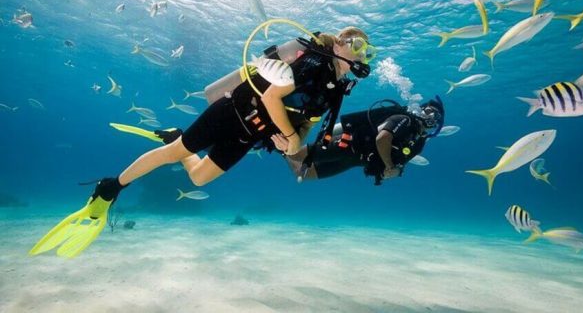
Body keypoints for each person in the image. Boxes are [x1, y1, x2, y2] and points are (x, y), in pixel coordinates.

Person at [29, 26, 376, 258]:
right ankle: (111, 187)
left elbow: (306, 128)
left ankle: (178, 135)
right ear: (339, 44)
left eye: (368, 50)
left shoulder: (335, 89)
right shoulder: (315, 63)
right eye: (357, 45)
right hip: (231, 113)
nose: (363, 54)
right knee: (173, 154)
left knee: (198, 178)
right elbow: (272, 97)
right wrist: (288, 135)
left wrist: (292, 145)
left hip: (248, 136)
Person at [278, 97, 445, 185]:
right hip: (348, 145)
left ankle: (282, 150)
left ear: (438, 124)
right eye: (428, 111)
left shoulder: (419, 141)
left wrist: (396, 171)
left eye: (435, 116)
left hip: (355, 161)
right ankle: (280, 139)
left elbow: (401, 162)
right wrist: (388, 166)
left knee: (306, 175)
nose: (430, 116)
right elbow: (383, 138)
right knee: (297, 155)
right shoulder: (404, 119)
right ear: (420, 110)